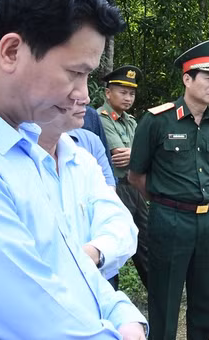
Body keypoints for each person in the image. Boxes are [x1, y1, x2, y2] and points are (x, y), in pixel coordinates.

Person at [0, 0, 147, 339]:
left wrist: (123, 313)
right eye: (75, 72)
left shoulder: (21, 150)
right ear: (12, 50)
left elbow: (68, 263)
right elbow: (46, 326)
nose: (83, 95)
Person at [129, 40, 209, 340]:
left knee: (205, 296)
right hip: (170, 220)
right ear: (187, 78)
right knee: (165, 296)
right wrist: (168, 202)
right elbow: (136, 176)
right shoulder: (157, 120)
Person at [37, 102, 138, 285]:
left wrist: (95, 252)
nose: (85, 97)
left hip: (97, 273)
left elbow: (119, 220)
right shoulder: (10, 161)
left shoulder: (83, 154)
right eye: (72, 75)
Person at [98, 64, 149, 288]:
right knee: (115, 241)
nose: (128, 98)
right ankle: (110, 292)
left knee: (147, 241)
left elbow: (143, 155)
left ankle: (156, 290)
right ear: (108, 93)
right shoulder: (101, 118)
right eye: (123, 92)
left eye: (132, 93)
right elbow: (119, 155)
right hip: (115, 188)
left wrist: (138, 154)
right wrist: (141, 153)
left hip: (136, 187)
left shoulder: (131, 121)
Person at [82, 104, 114, 169]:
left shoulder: (90, 115)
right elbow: (118, 150)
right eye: (123, 93)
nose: (128, 99)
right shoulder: (101, 115)